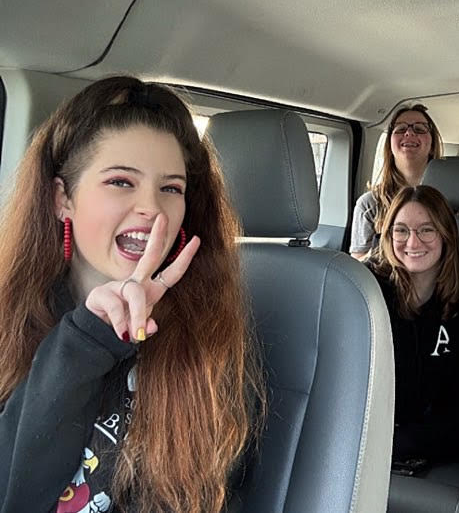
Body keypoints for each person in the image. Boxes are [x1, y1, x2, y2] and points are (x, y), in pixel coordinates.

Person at [0, 76, 266, 513]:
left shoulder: (209, 346)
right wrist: (85, 341)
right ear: (61, 199)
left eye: (171, 188)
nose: (152, 208)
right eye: (121, 181)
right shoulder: (12, 322)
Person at [369, 185, 459, 466]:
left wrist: (404, 444)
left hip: (439, 452)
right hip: (366, 445)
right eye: (401, 230)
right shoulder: (366, 292)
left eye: (426, 230)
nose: (412, 243)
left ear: (446, 235)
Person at [350, 104, 443, 260]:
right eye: (400, 129)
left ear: (432, 144)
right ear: (390, 145)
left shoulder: (455, 201)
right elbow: (358, 265)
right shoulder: (370, 204)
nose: (409, 132)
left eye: (420, 129)